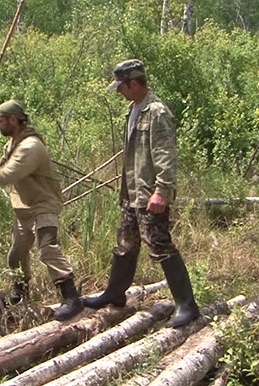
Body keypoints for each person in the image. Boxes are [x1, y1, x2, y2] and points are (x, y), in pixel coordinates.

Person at [84, 59, 199, 328]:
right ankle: (114, 293)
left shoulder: (156, 112)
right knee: (125, 244)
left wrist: (161, 191)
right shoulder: (133, 110)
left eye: (121, 86)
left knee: (159, 245)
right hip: (132, 193)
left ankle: (187, 305)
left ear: (134, 83)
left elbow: (165, 155)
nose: (118, 91)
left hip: (149, 194)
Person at [0, 100, 83, 321]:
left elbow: (7, 175)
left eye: (0, 121)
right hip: (23, 209)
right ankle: (21, 292)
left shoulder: (30, 147)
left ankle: (71, 298)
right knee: (16, 254)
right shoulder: (14, 143)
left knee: (47, 249)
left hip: (42, 206)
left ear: (13, 120)